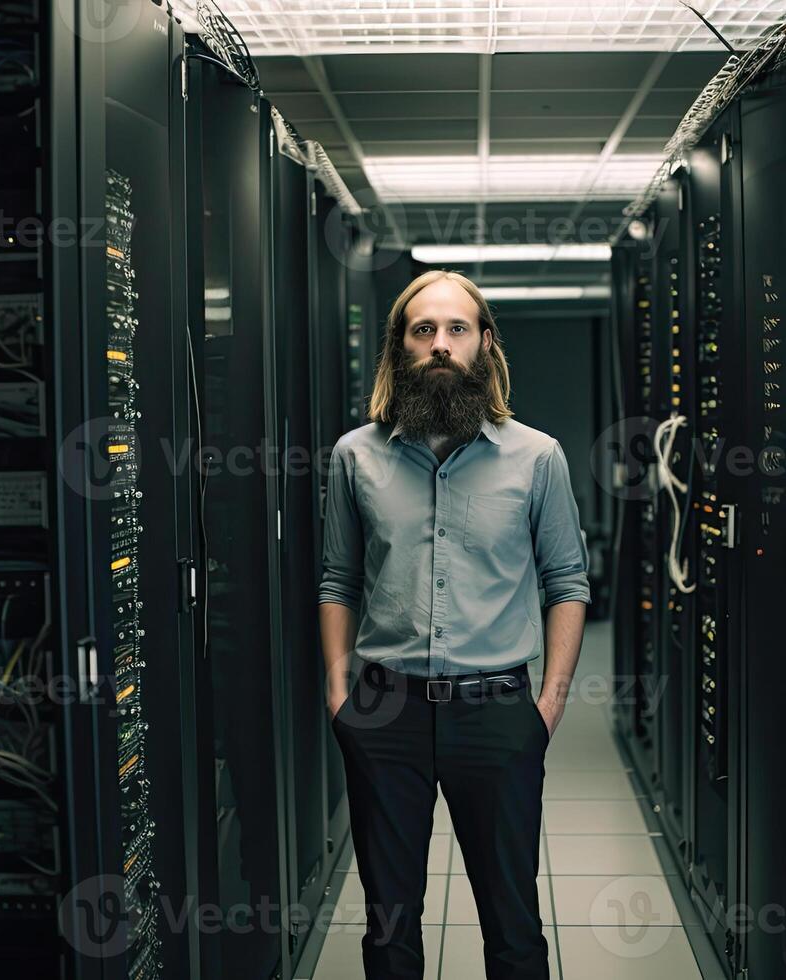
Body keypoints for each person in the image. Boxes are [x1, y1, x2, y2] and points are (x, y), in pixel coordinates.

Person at [317, 269, 590, 979]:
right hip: (383, 710)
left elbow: (567, 582)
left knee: (513, 927)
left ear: (484, 343)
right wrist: (339, 689)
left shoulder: (537, 458)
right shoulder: (356, 457)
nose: (441, 344)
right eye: (423, 330)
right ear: (399, 348)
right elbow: (337, 579)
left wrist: (549, 702)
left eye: (457, 329)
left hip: (496, 711)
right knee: (390, 930)